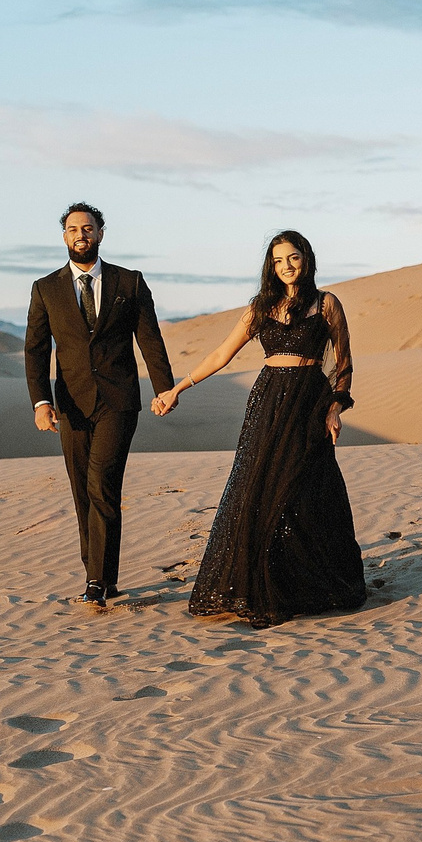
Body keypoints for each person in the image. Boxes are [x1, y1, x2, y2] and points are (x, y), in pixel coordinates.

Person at [152, 230, 365, 627]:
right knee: (258, 490)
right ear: (271, 265)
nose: (286, 266)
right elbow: (221, 353)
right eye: (279, 259)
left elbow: (344, 364)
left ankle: (307, 585)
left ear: (307, 259)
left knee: (306, 491)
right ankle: (260, 583)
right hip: (267, 403)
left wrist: (335, 407)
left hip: (308, 404)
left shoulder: (327, 304)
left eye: (294, 257)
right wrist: (179, 387)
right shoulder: (260, 307)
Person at [24, 202, 175, 608]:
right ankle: (100, 574)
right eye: (73, 229)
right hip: (70, 404)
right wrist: (41, 401)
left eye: (88, 228)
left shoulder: (130, 282)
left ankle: (96, 581)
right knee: (81, 493)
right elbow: (36, 350)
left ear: (101, 234)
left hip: (118, 402)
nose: (81, 235)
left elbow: (150, 339)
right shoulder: (46, 289)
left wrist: (165, 388)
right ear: (64, 237)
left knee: (102, 485)